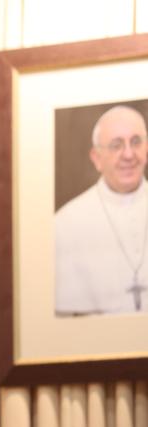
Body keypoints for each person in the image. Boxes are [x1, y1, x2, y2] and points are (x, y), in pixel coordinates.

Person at [55, 105, 148, 315]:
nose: (128, 154)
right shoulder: (65, 224)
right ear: (96, 158)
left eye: (136, 142)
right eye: (116, 145)